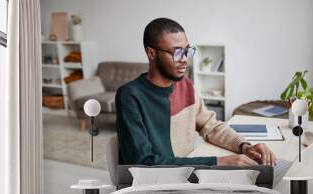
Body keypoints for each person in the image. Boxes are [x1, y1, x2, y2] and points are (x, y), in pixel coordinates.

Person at [115, 18, 276, 166]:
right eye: (177, 52)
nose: (185, 59)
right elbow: (142, 162)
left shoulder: (186, 86)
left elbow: (210, 126)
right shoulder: (130, 96)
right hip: (155, 186)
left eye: (187, 51)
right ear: (151, 53)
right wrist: (218, 162)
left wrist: (245, 146)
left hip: (187, 177)